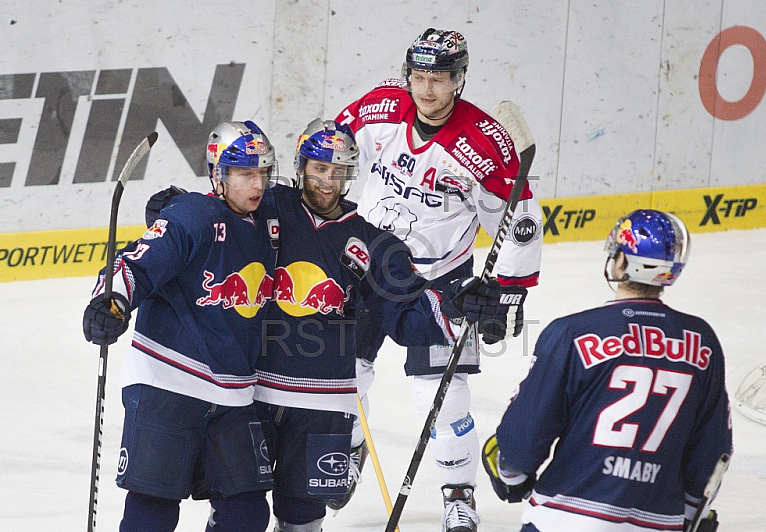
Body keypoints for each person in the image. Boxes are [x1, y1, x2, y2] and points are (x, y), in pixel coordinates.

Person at [142, 118, 525, 532]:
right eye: (319, 168)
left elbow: (407, 309)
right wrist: (175, 209)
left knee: (303, 522)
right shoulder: (266, 206)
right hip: (252, 396)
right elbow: (212, 215)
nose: (328, 181)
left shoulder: (372, 243)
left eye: (339, 170)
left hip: (325, 404)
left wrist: (457, 305)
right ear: (300, 165)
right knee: (240, 515)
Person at [334, 27, 543, 530]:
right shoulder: (380, 107)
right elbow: (329, 154)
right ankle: (350, 447)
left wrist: (505, 296)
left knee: (441, 395)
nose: (427, 89)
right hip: (365, 269)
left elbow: (520, 226)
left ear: (460, 79)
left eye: (440, 78)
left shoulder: (484, 144)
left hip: (441, 282)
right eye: (420, 76)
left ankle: (458, 493)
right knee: (342, 376)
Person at [82, 120, 281, 532]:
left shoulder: (269, 225)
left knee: (247, 513)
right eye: (245, 173)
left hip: (233, 392)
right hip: (167, 382)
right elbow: (135, 263)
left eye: (262, 172)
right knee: (152, 511)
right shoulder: (193, 216)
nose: (256, 184)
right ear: (217, 175)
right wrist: (112, 300)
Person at [482, 209, 734, 532]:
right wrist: (692, 513)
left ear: (623, 263)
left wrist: (510, 474)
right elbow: (712, 453)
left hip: (562, 520)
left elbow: (519, 444)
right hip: (658, 524)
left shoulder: (570, 334)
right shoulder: (703, 343)